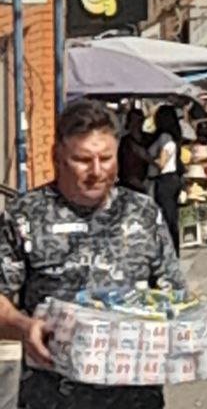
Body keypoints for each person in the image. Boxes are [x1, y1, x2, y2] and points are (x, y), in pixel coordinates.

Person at [0, 97, 186, 409]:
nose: (97, 171)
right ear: (57, 156)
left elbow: (173, 292)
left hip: (135, 396)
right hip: (52, 397)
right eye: (83, 160)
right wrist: (24, 327)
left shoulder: (141, 212)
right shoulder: (25, 216)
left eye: (106, 158)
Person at [148, 104, 183, 254]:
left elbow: (162, 163)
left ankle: (170, 250)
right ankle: (173, 249)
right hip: (172, 179)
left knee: (166, 218)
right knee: (170, 216)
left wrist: (146, 158)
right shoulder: (173, 137)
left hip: (164, 180)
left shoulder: (164, 138)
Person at [118, 106, 150, 194]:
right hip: (127, 183)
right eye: (133, 120)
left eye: (139, 121)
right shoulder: (124, 141)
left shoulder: (149, 139)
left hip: (146, 182)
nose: (136, 124)